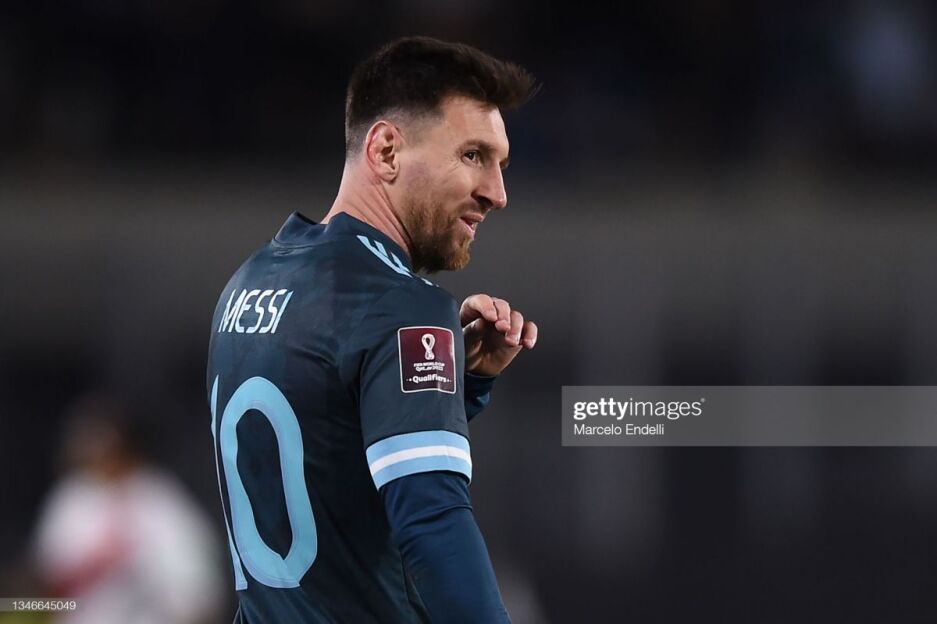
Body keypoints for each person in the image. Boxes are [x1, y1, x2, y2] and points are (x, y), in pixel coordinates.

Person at [206, 36, 537, 623]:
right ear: (385, 151)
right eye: (472, 156)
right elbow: (432, 522)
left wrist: (459, 387)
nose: (497, 193)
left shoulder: (248, 282)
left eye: (500, 165)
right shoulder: (399, 305)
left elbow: (329, 456)